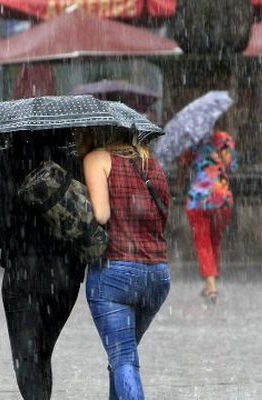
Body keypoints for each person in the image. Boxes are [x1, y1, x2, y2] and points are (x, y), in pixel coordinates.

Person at [0, 131, 85, 400]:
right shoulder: (72, 160)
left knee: (27, 356)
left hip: (23, 271)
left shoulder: (8, 160)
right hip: (66, 275)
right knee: (43, 351)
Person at [79, 129, 171, 400]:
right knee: (122, 355)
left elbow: (101, 213)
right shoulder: (151, 164)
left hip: (115, 273)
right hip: (157, 275)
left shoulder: (98, 158)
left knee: (123, 358)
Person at [180, 130, 237, 303]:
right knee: (215, 241)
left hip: (198, 199)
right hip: (222, 198)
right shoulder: (225, 139)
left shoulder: (190, 141)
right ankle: (210, 282)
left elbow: (184, 165)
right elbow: (232, 166)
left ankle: (211, 285)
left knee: (202, 242)